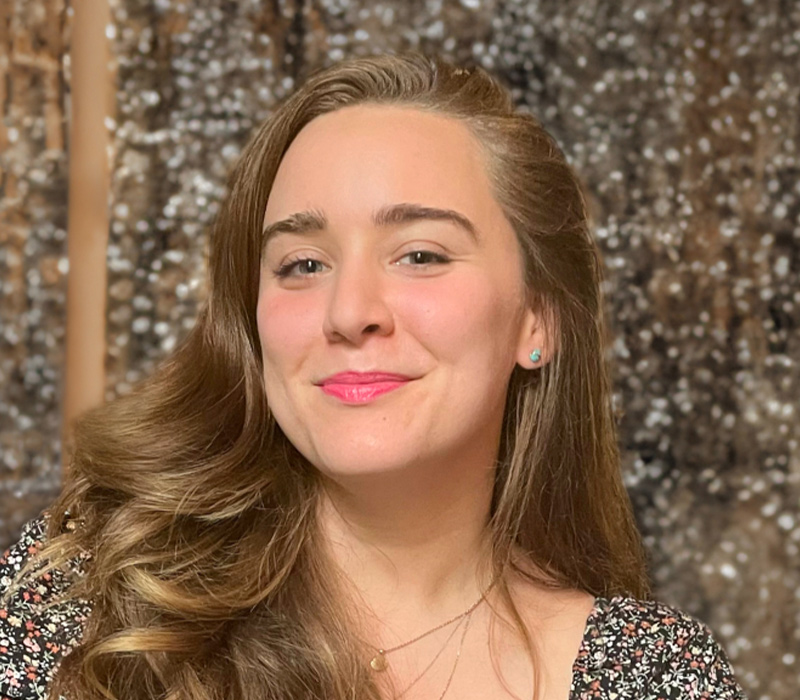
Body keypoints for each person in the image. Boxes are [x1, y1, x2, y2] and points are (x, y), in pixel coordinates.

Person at [0, 51, 747, 700]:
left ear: (537, 321)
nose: (349, 310)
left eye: (420, 254)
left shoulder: (648, 673)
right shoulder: (85, 608)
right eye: (303, 264)